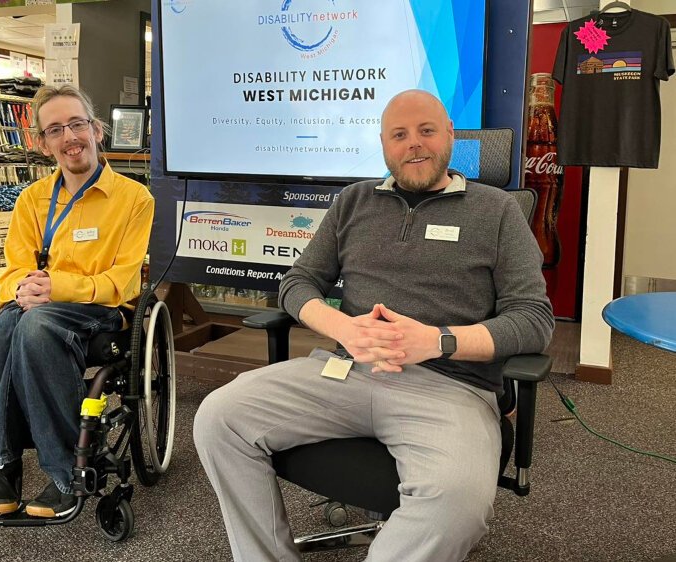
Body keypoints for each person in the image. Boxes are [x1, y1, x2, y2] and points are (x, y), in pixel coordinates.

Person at [193, 89, 554, 561]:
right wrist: (343, 328)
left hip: (449, 387)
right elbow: (297, 282)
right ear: (383, 144)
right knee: (218, 418)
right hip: (344, 370)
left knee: (458, 501)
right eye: (399, 135)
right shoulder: (353, 202)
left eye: (426, 131)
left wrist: (436, 341)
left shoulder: (496, 210)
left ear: (449, 135)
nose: (414, 144)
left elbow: (533, 320)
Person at [0, 85, 154, 518]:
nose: (69, 136)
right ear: (42, 142)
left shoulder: (134, 199)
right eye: (55, 129)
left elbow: (123, 282)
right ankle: (4, 464)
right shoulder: (31, 200)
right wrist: (24, 289)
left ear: (96, 130)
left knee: (32, 328)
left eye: (76, 124)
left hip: (101, 312)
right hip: (38, 304)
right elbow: (14, 270)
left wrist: (56, 287)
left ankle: (62, 470)